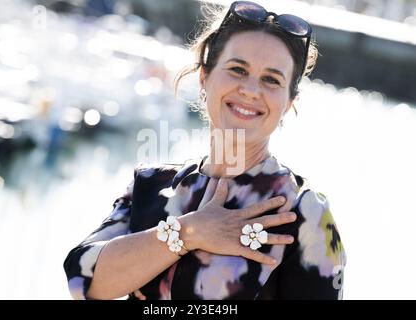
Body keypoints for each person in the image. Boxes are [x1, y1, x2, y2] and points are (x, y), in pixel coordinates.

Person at [64, 0, 346, 300]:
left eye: (271, 80)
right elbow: (84, 279)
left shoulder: (301, 212)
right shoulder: (149, 185)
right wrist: (189, 232)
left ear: (288, 103)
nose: (251, 90)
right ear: (204, 77)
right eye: (238, 69)